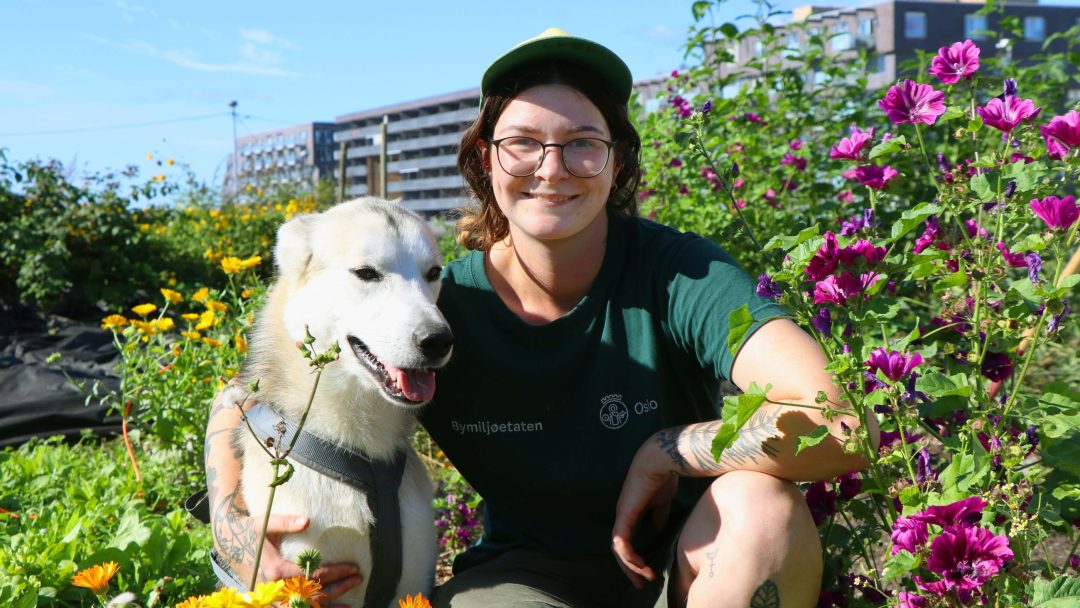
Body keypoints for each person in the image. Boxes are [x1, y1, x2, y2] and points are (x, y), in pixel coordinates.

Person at [204, 28, 878, 608]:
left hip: (697, 570)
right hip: (523, 582)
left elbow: (845, 423)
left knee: (763, 508)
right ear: (484, 158)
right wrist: (238, 532)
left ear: (617, 163)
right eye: (523, 142)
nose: (551, 169)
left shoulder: (682, 276)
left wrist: (665, 449)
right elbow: (244, 400)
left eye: (583, 142)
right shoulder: (436, 306)